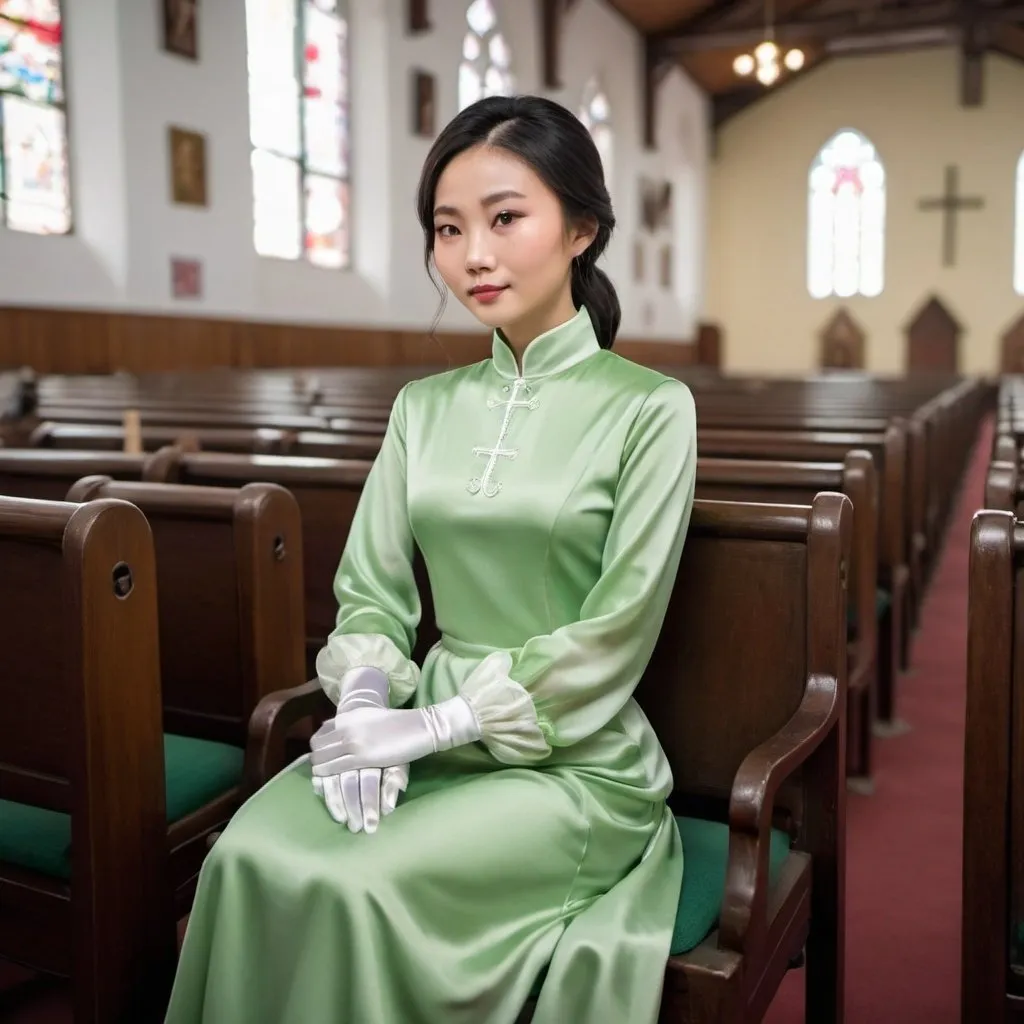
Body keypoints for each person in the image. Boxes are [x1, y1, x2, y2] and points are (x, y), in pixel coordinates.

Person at [164, 94, 697, 1024]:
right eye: (448, 230)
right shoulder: (422, 407)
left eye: (504, 218)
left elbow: (618, 629)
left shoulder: (650, 409)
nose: (473, 256)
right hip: (414, 735)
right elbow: (370, 590)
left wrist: (439, 725)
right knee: (246, 856)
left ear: (582, 228)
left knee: (361, 887)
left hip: (572, 761)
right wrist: (371, 702)